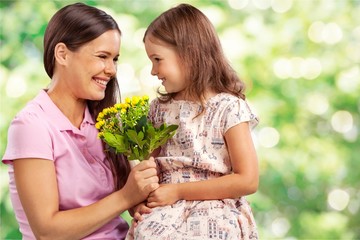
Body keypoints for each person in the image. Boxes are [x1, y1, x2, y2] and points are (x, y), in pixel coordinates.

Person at [2, 3, 159, 239]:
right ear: (62, 54)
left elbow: (134, 197)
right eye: (102, 56)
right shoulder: (31, 126)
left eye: (114, 59)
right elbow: (47, 231)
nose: (111, 70)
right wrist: (126, 197)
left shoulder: (105, 120)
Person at [126, 3, 259, 240]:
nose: (153, 71)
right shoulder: (159, 110)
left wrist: (179, 191)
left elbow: (248, 179)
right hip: (164, 211)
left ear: (188, 54)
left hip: (215, 210)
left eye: (157, 59)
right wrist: (137, 204)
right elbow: (149, 169)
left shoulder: (229, 108)